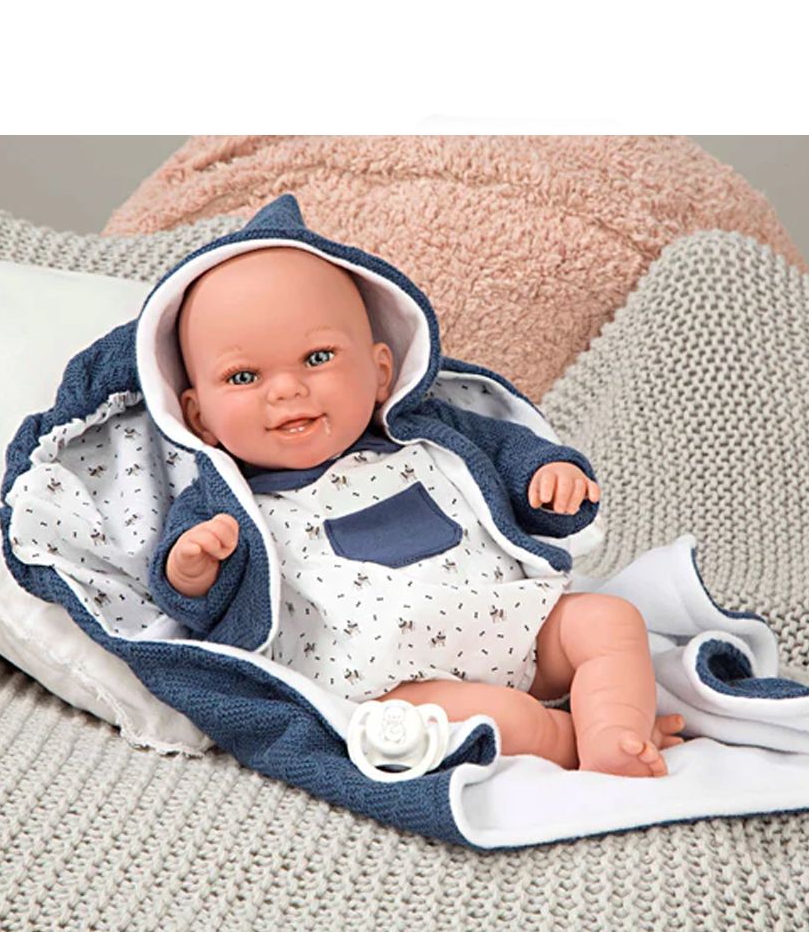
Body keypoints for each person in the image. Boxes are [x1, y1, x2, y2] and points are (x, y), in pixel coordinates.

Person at [152, 244, 684, 776]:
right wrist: (192, 570)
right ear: (199, 416)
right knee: (509, 719)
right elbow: (200, 608)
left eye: (317, 358)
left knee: (609, 621)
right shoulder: (225, 501)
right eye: (243, 377)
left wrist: (546, 475)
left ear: (380, 371)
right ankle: (581, 738)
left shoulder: (429, 436)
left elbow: (508, 451)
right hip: (388, 680)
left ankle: (614, 725)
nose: (288, 389)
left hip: (514, 623)